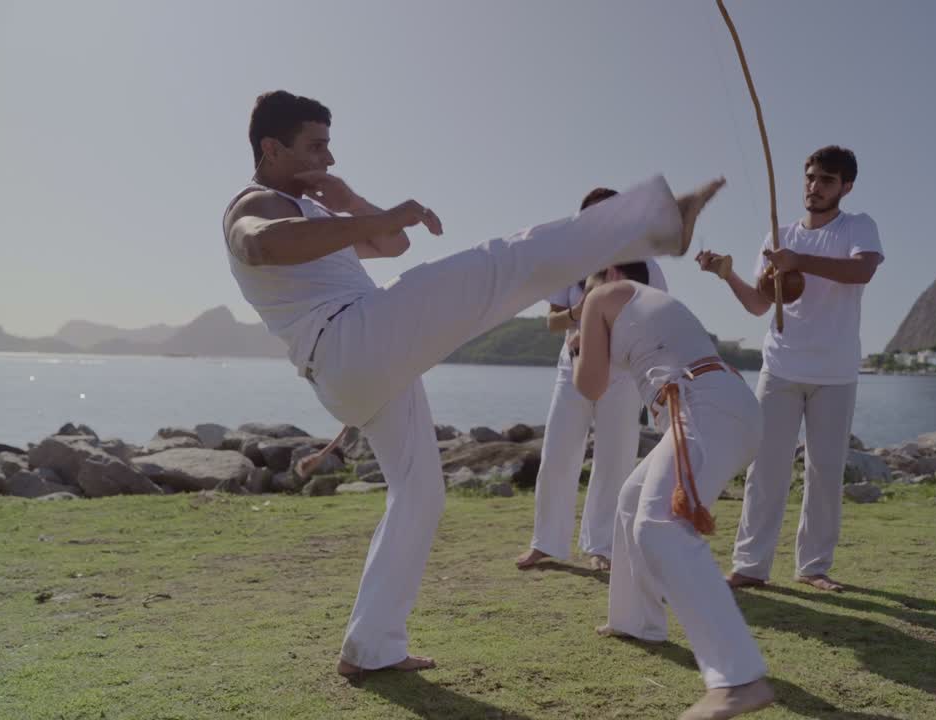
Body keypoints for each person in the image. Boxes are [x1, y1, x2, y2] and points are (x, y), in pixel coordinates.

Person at [221, 89, 726, 676]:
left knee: (420, 494)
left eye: (330, 147)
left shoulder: (316, 209)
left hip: (359, 362)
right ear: (271, 148)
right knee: (502, 262)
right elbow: (260, 245)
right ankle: (657, 221)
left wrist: (351, 202)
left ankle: (371, 647)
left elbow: (392, 243)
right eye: (316, 147)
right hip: (350, 338)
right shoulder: (250, 205)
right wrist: (373, 217)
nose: (328, 160)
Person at [571, 264, 774, 719]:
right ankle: (636, 621)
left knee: (660, 525)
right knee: (630, 501)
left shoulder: (607, 294)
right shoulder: (651, 308)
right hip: (718, 402)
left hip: (702, 405)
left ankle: (738, 678)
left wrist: (579, 345)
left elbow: (590, 384)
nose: (582, 304)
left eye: (584, 293)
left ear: (611, 272)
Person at [695, 145, 883, 593]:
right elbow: (761, 304)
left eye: (826, 181)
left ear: (846, 187)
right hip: (779, 367)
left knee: (825, 470)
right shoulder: (777, 236)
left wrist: (798, 261)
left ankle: (814, 567)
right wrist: (728, 274)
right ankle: (749, 565)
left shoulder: (858, 226)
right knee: (766, 469)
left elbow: (863, 271)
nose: (814, 187)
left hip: (835, 372)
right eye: (810, 177)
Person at [516, 187, 667, 573]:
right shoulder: (569, 262)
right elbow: (551, 321)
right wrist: (579, 312)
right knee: (557, 454)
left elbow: (654, 322)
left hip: (622, 373)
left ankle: (602, 546)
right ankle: (546, 542)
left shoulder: (645, 265)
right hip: (573, 366)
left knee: (614, 459)